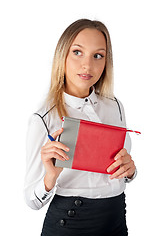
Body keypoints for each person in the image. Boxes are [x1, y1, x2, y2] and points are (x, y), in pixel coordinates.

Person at [24, 19, 137, 236]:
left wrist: (130, 171)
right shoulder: (44, 118)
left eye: (98, 55)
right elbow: (31, 200)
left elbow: (121, 171)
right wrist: (50, 176)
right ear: (62, 56)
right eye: (77, 52)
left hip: (116, 220)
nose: (88, 65)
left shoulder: (115, 106)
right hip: (71, 222)